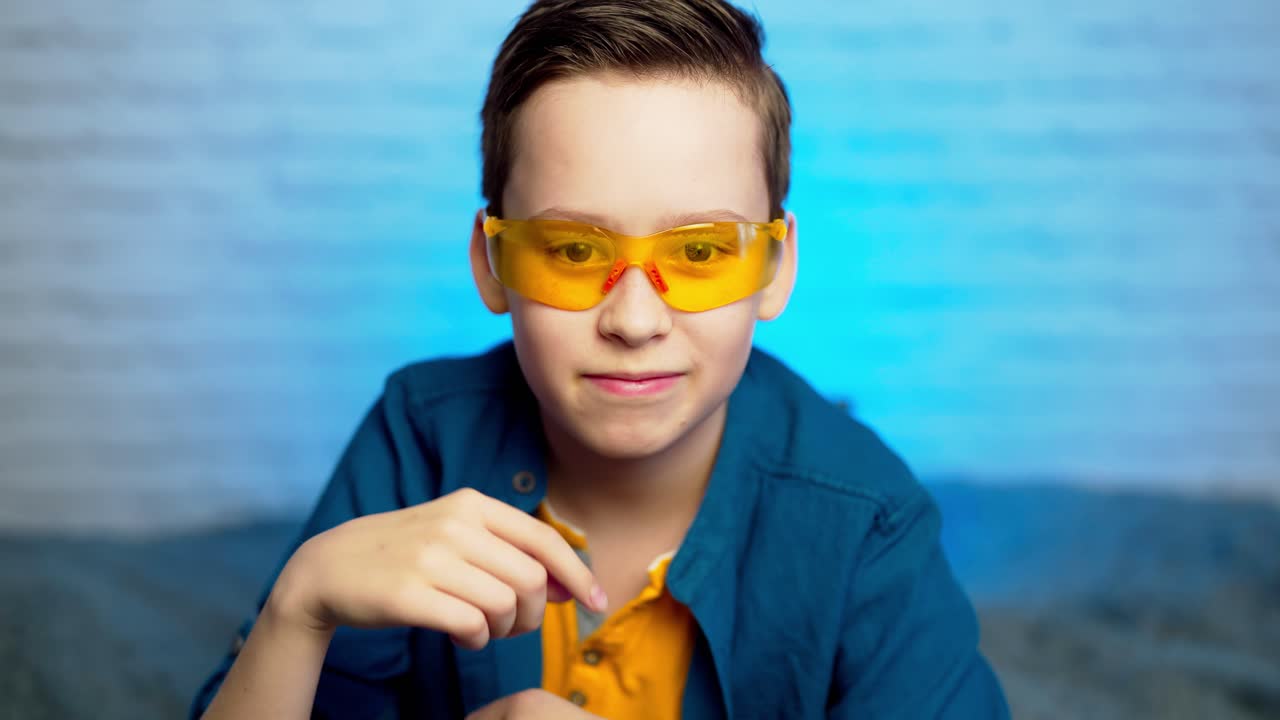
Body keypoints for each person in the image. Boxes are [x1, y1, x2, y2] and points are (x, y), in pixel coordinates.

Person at [191, 1, 1010, 717]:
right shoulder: (421, 436)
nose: (634, 319)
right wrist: (295, 611)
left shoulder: (866, 517)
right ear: (491, 262)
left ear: (776, 268)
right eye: (575, 249)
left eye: (699, 250)